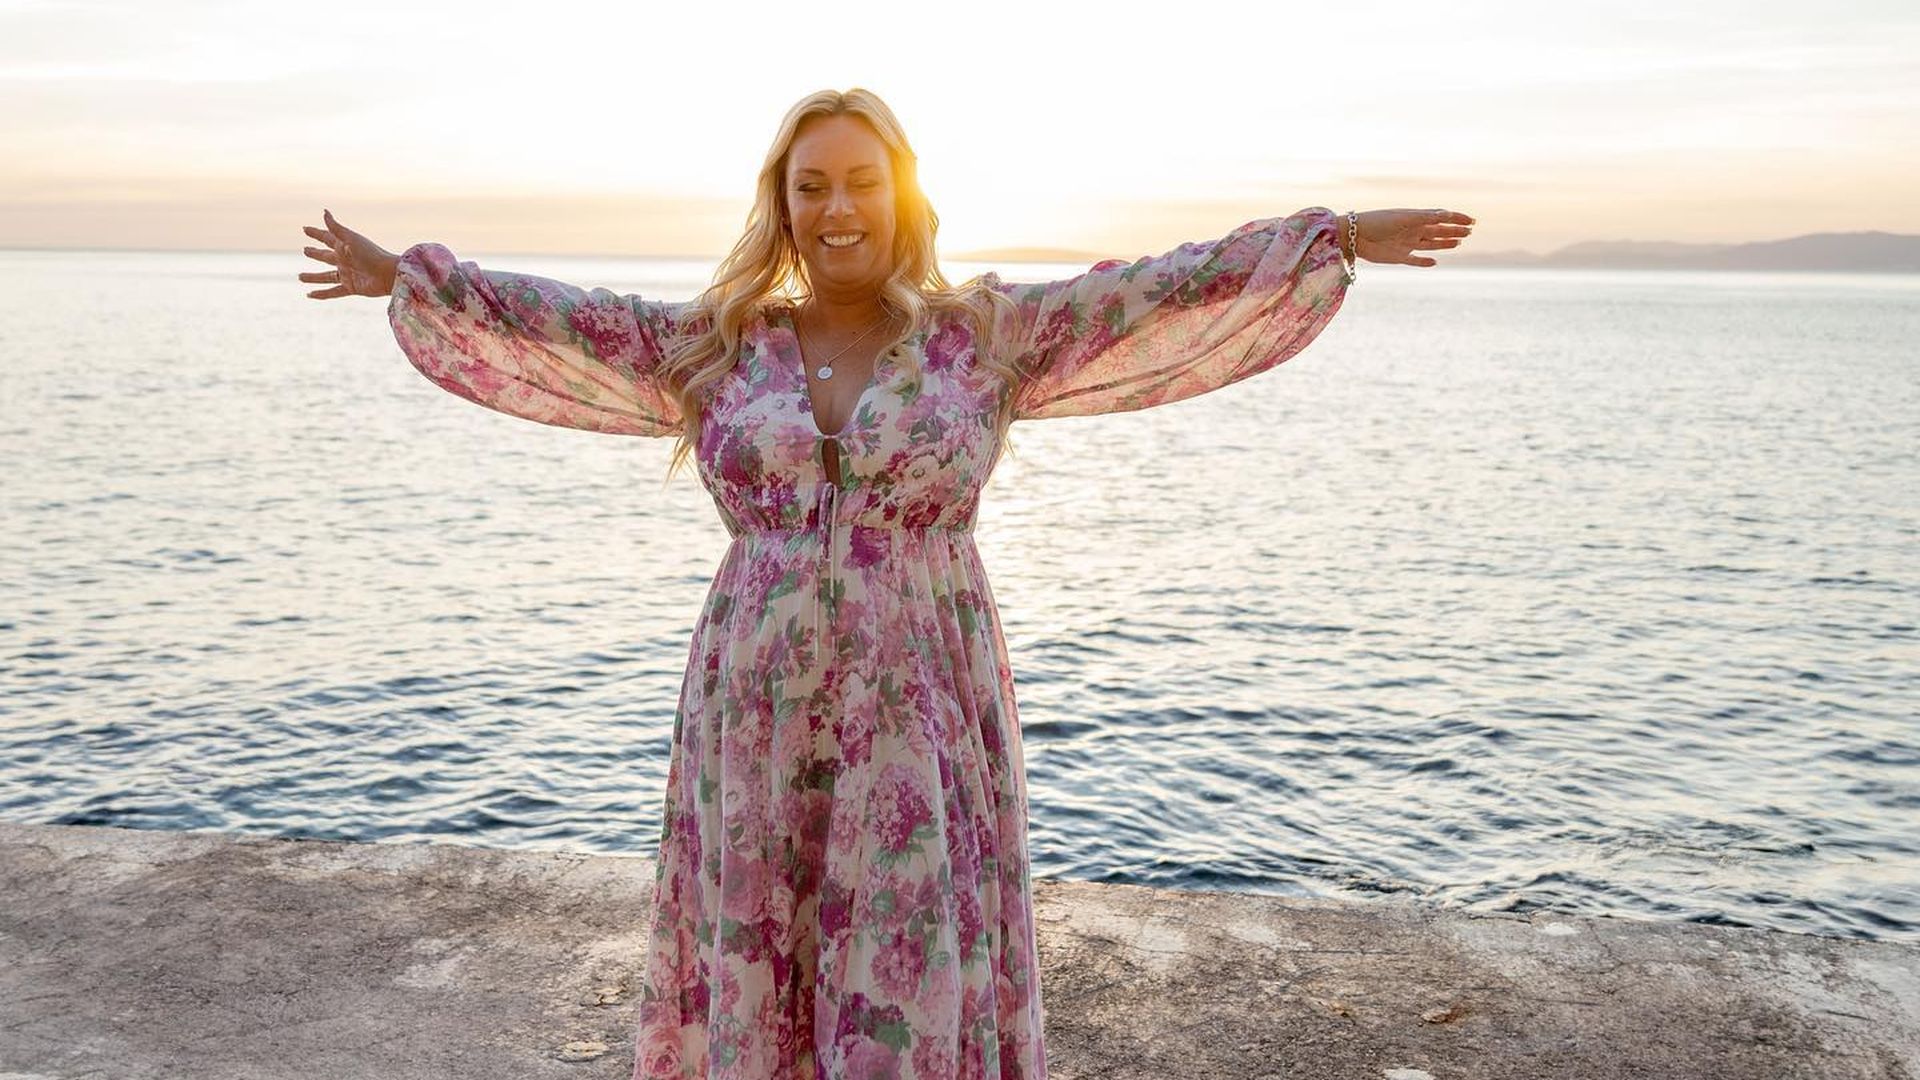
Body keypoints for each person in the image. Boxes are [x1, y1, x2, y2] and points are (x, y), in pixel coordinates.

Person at [300, 86, 1474, 1080]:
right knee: (759, 943)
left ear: (903, 195)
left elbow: (1158, 290)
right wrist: (407, 274)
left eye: (861, 181)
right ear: (783, 206)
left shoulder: (985, 335)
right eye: (810, 186)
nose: (837, 208)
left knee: (906, 956)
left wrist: (1333, 236)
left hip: (920, 701)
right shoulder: (722, 344)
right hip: (754, 712)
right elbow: (564, 321)